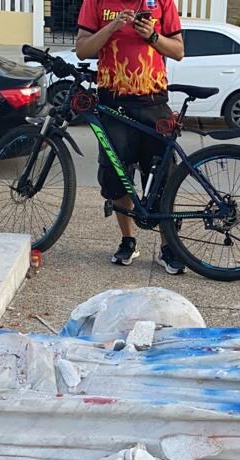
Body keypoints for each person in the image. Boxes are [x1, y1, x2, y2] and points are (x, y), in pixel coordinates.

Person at [75, 0, 187, 274]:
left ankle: (167, 246)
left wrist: (152, 35)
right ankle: (128, 240)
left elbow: (179, 51)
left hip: (153, 101)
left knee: (162, 177)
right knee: (115, 176)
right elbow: (82, 50)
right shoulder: (96, 2)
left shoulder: (162, 2)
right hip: (113, 102)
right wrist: (112, 26)